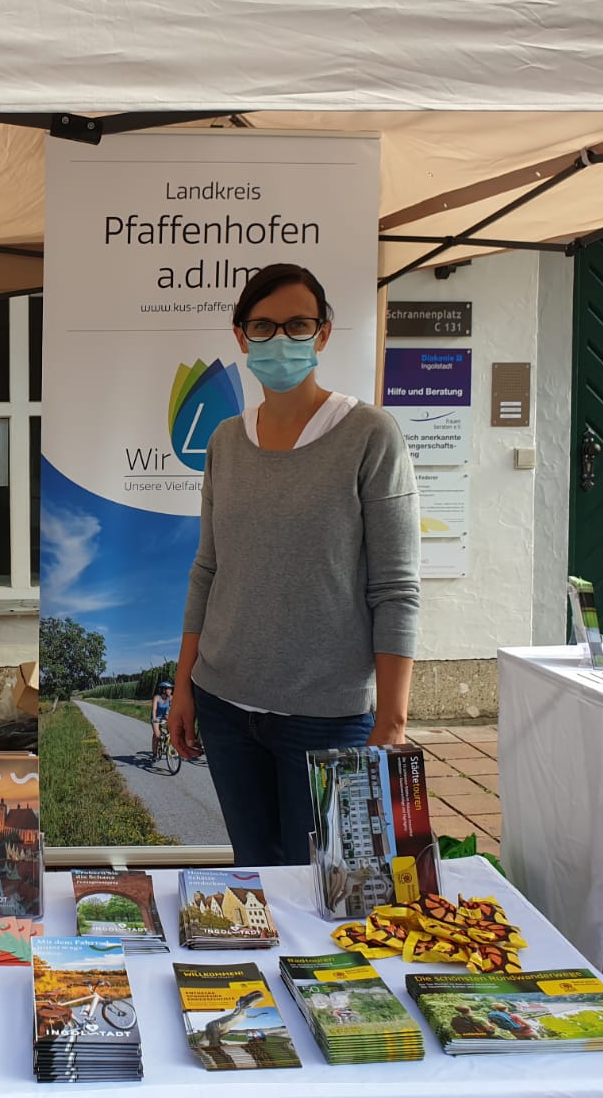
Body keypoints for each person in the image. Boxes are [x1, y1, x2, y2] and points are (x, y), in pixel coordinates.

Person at [169, 262, 420, 867]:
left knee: (330, 892)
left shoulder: (369, 435)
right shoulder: (225, 442)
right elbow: (208, 570)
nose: (280, 339)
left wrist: (391, 723)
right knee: (257, 874)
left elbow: (396, 590)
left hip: (328, 720)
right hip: (225, 706)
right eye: (263, 326)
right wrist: (183, 686)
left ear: (324, 333)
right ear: (241, 336)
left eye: (297, 324)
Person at [150, 680, 173, 757]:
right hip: (156, 717)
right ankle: (154, 753)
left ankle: (167, 743)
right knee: (157, 735)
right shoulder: (157, 697)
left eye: (171, 689)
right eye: (168, 689)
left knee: (173, 727)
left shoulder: (170, 698)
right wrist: (154, 718)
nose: (170, 690)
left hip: (165, 715)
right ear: (163, 690)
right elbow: (154, 709)